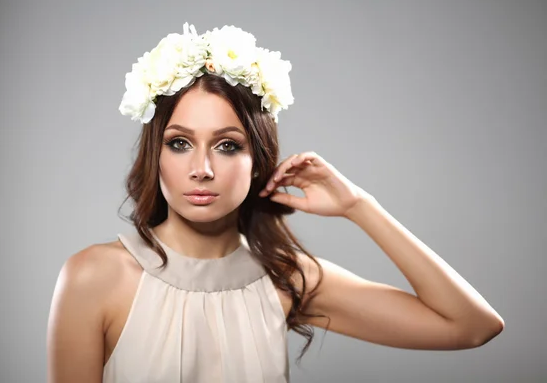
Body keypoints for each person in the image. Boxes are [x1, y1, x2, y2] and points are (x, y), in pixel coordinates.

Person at [46, 22, 504, 383]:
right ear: (155, 155)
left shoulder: (287, 280)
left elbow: (472, 326)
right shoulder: (94, 277)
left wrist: (359, 206)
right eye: (180, 143)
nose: (201, 167)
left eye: (227, 145)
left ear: (258, 161)